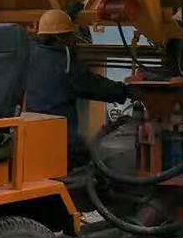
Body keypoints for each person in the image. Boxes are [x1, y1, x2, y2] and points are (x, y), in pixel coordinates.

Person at [25, 9, 130, 168]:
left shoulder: (31, 52)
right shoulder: (66, 64)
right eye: (70, 36)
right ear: (61, 38)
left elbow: (51, 26)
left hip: (31, 136)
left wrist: (67, 14)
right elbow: (93, 85)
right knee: (89, 164)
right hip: (61, 139)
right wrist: (126, 91)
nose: (74, 41)